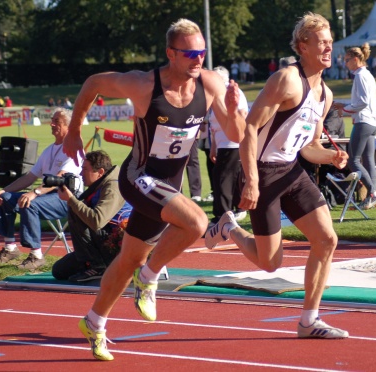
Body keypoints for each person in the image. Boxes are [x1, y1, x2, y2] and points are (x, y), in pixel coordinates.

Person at [62, 18, 245, 361]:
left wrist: (235, 112)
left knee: (130, 257)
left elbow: (235, 132)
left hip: (168, 185)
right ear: (171, 54)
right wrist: (74, 131)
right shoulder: (144, 84)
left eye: (202, 52)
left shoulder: (211, 83)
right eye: (190, 53)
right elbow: (92, 84)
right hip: (139, 177)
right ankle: (148, 278)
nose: (198, 59)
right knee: (196, 223)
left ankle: (94, 322)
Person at [205, 12, 350, 340]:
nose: (329, 48)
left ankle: (309, 321)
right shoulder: (286, 79)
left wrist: (331, 156)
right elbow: (250, 129)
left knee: (327, 239)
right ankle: (229, 226)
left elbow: (309, 147)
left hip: (292, 172)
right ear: (303, 46)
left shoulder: (325, 94)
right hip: (263, 172)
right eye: (322, 42)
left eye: (331, 42)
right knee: (270, 263)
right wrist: (252, 180)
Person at [0, 108, 83, 270]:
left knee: (30, 203)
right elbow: (29, 177)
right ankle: (10, 248)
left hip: (67, 198)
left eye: (57, 122)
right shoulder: (49, 150)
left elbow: (60, 178)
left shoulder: (74, 149)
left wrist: (34, 193)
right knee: (6, 198)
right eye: (52, 120)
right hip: (48, 196)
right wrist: (4, 191)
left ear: (68, 126)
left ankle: (36, 255)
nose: (52, 124)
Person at [52, 150, 132, 282]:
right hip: (102, 241)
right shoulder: (101, 183)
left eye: (84, 169)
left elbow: (97, 221)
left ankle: (98, 266)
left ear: (100, 172)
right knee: (59, 270)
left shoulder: (113, 187)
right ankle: (90, 263)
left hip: (116, 244)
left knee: (75, 209)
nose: (81, 174)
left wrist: (71, 200)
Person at [335, 43, 376, 210]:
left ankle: (373, 193)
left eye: (347, 60)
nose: (345, 64)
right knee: (368, 160)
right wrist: (345, 105)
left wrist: (344, 109)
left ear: (355, 59)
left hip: (364, 122)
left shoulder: (361, 76)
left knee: (353, 160)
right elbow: (362, 101)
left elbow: (362, 102)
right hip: (371, 122)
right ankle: (372, 195)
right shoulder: (366, 75)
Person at [209, 66, 249, 223]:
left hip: (232, 142)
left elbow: (243, 114)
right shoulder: (216, 94)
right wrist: (213, 146)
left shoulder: (230, 91)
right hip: (222, 142)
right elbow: (213, 124)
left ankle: (222, 215)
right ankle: (235, 209)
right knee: (227, 176)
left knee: (222, 178)